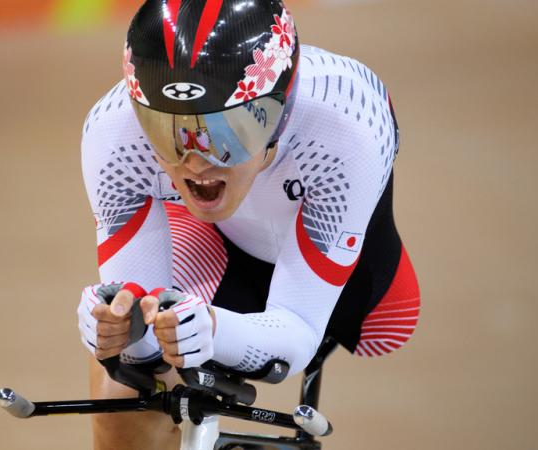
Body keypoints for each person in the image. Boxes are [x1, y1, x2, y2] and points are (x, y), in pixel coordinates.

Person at [77, 1, 420, 448]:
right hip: (215, 242)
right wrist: (122, 332)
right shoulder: (115, 134)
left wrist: (212, 331)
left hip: (339, 258)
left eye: (226, 133)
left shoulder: (346, 125)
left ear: (279, 110)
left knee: (387, 326)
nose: (195, 162)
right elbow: (140, 324)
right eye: (168, 131)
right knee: (122, 385)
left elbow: (297, 332)